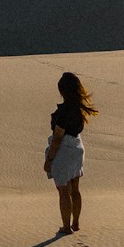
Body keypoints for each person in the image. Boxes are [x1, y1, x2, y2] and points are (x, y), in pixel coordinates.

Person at [43, 71, 98, 234]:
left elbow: (58, 137)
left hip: (64, 150)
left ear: (63, 91)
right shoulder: (78, 109)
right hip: (77, 148)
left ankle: (66, 227)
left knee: (63, 190)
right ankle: (76, 223)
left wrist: (49, 159)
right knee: (75, 188)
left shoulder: (64, 111)